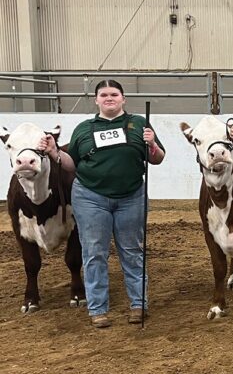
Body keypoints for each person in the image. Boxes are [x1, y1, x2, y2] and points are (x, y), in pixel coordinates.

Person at [38, 79, 165, 328]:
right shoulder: (84, 129)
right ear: (96, 100)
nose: (109, 98)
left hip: (132, 196)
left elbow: (157, 159)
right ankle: (98, 308)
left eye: (114, 94)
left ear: (123, 99)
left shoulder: (139, 123)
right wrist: (54, 152)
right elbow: (71, 164)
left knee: (132, 251)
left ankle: (138, 304)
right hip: (90, 197)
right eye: (104, 94)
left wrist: (152, 144)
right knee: (94, 252)